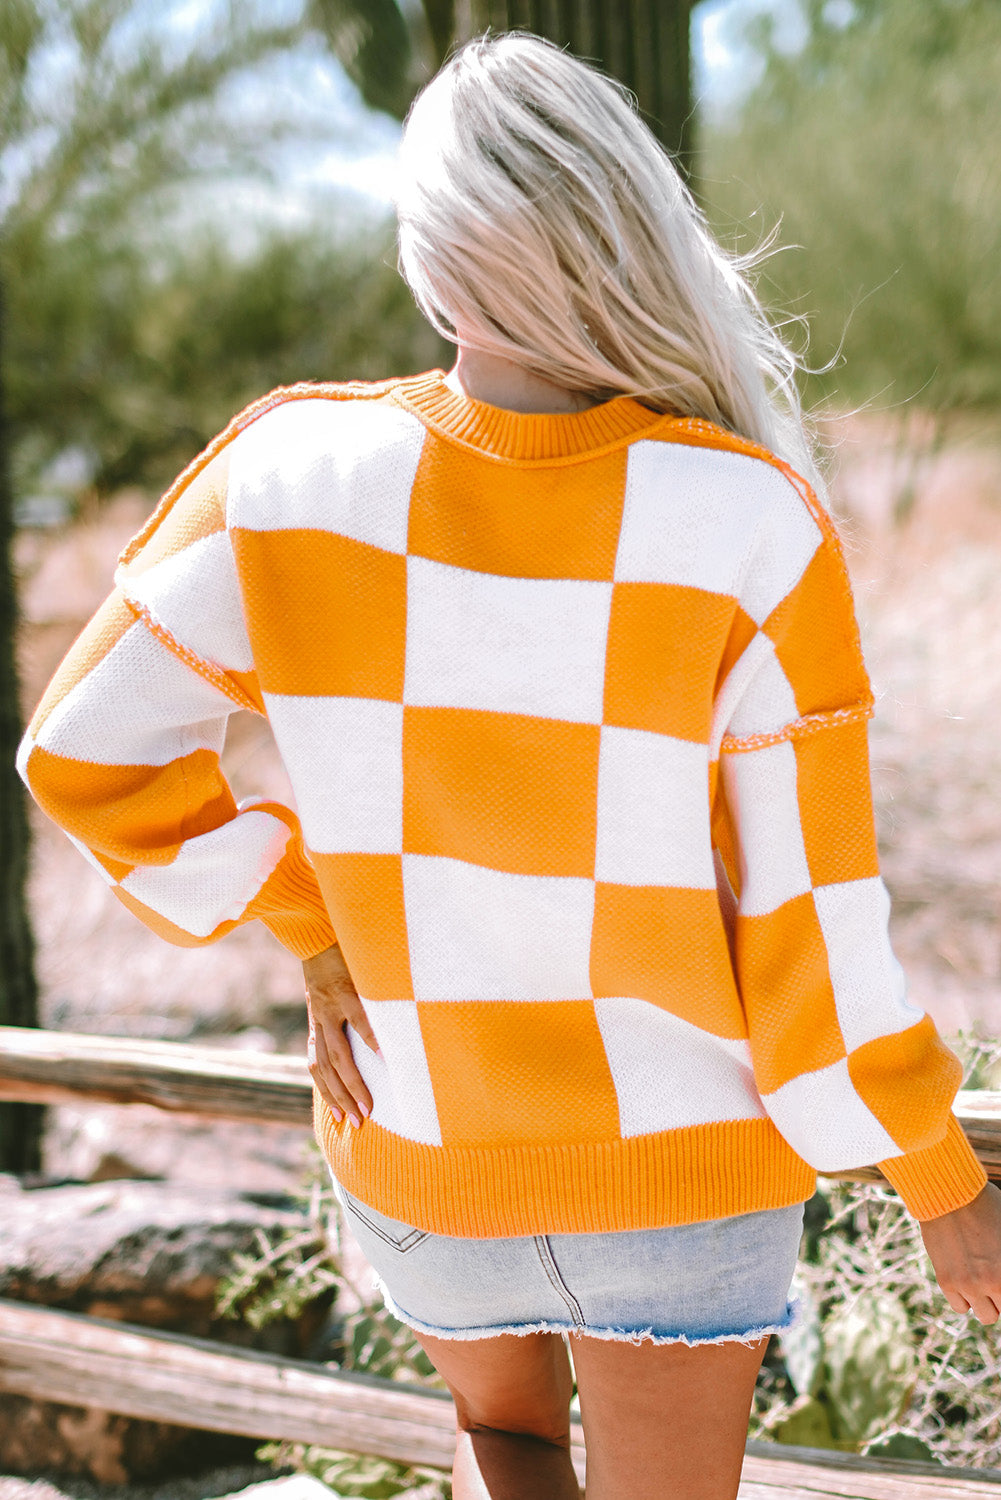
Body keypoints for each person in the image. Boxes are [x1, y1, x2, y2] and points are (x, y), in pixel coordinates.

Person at [18, 30, 1001, 1500]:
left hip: (419, 1140)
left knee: (508, 1453)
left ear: (431, 264)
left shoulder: (283, 477)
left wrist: (309, 929)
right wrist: (942, 1184)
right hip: (676, 1165)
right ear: (631, 230)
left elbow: (83, 754)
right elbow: (809, 936)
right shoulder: (746, 521)